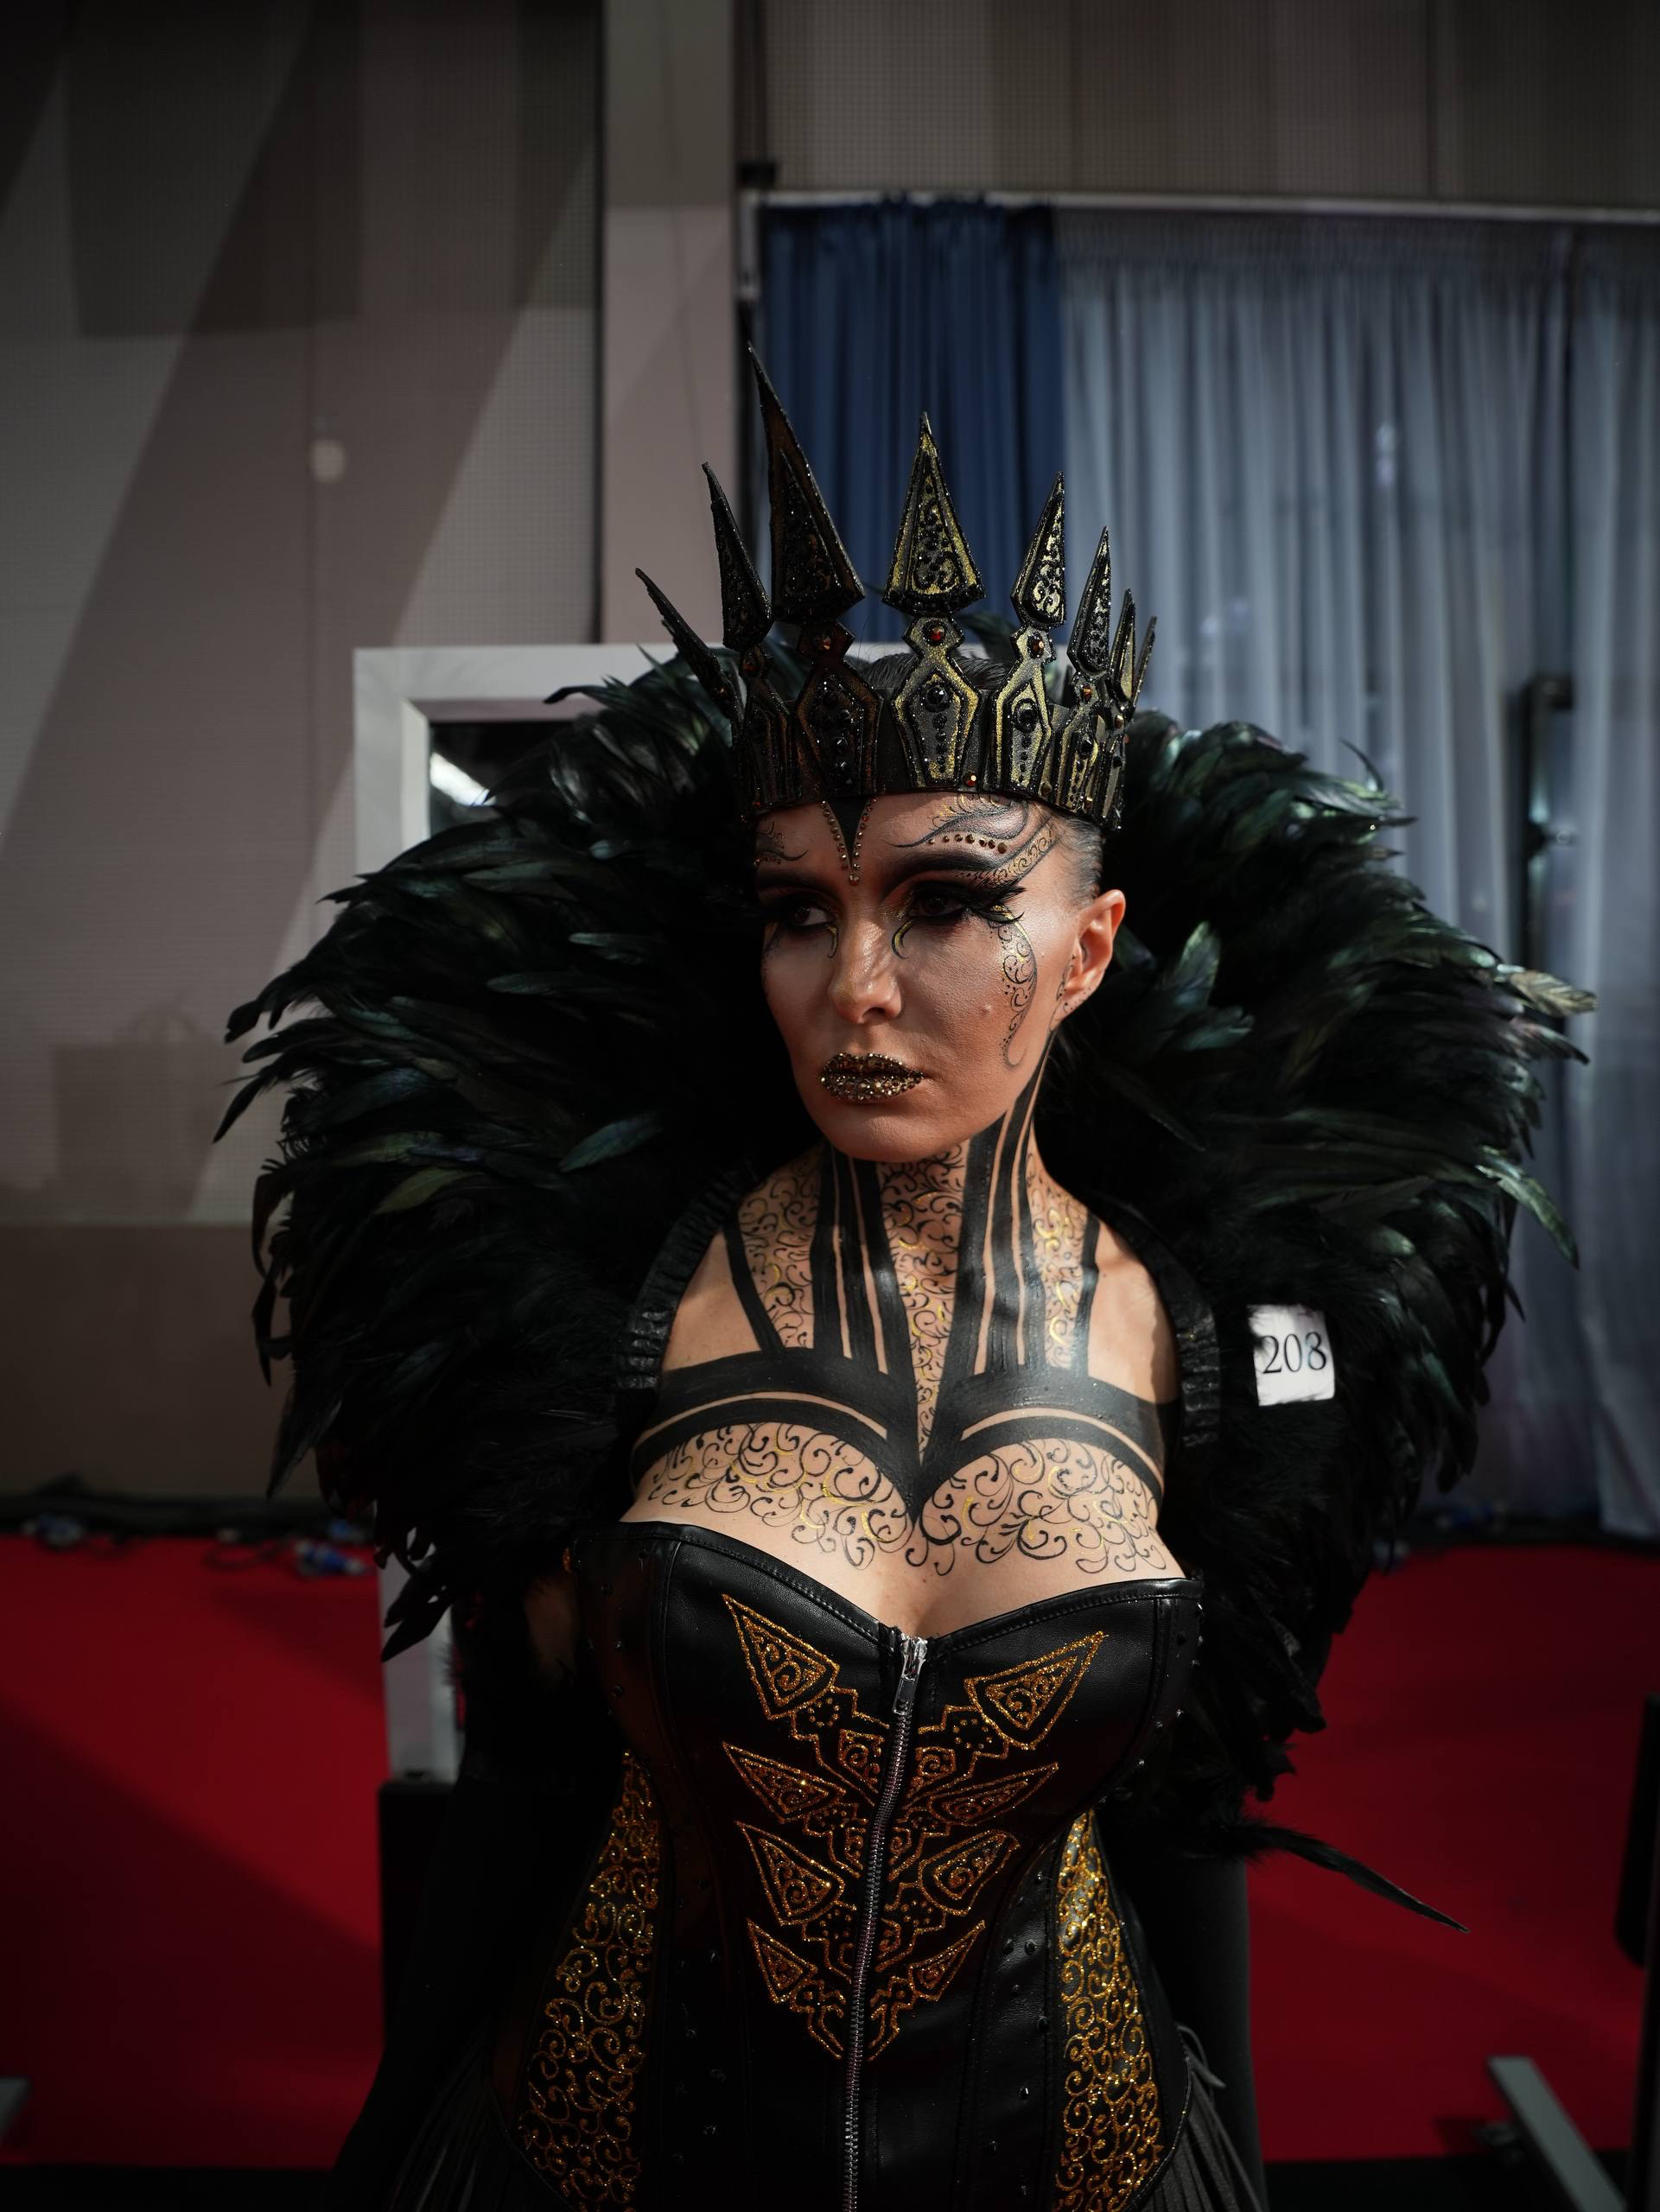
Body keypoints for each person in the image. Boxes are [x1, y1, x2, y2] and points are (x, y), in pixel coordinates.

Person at [222, 360, 1587, 2210]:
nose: (853, 985)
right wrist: (389, 2162)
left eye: (945, 902)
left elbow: (1189, 1821)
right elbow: (530, 1783)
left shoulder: (1213, 1335)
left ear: (1087, 948)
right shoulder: (597, 1301)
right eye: (801, 909)